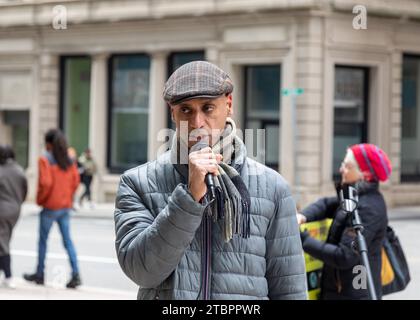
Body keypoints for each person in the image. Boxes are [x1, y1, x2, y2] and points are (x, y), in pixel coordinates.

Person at [114, 61, 307, 300]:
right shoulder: (138, 183)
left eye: (207, 108)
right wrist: (189, 199)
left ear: (229, 104)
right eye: (186, 110)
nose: (197, 123)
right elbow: (142, 272)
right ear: (172, 112)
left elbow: (289, 288)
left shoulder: (273, 187)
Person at [297, 143, 391, 300]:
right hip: (339, 291)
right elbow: (327, 204)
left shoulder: (368, 208)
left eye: (347, 166)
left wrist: (303, 239)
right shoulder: (354, 197)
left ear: (364, 174)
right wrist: (302, 216)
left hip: (353, 294)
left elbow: (345, 256)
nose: (341, 169)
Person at [23, 129, 82, 289]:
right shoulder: (69, 159)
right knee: (67, 241)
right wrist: (68, 197)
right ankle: (76, 273)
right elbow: (76, 181)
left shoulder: (45, 159)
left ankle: (40, 274)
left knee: (42, 241)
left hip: (50, 207)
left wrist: (40, 200)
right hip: (65, 207)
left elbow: (46, 183)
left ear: (48, 143)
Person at [0, 145, 27, 289]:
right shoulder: (19, 170)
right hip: (15, 210)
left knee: (3, 243)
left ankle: (9, 276)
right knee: (4, 239)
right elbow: (24, 191)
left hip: (2, 210)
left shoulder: (1, 171)